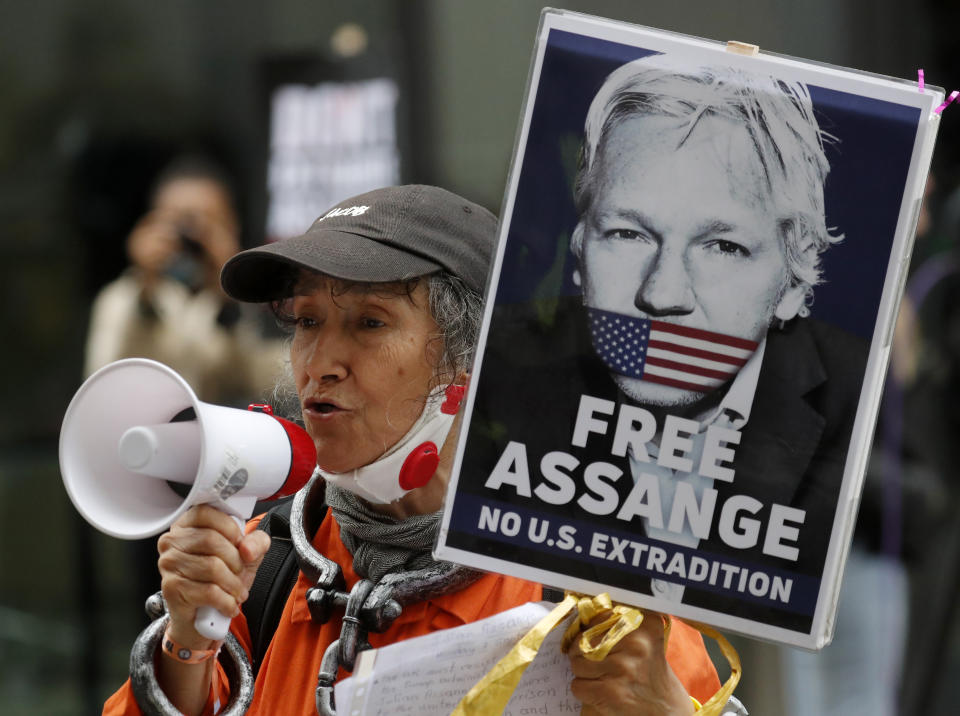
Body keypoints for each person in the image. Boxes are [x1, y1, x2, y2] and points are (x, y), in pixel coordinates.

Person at [103, 185, 730, 715]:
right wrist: (186, 644)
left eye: (369, 322)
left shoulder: (589, 592)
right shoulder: (262, 571)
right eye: (307, 320)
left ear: (469, 362)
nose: (318, 364)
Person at [469, 56, 868, 634]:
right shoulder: (492, 386)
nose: (663, 293)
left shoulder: (858, 406)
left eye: (722, 246)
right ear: (580, 252)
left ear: (793, 277)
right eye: (629, 234)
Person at [84, 154, 285, 407]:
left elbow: (267, 383)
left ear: (232, 227)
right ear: (151, 225)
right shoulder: (121, 299)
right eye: (178, 224)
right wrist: (146, 291)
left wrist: (229, 292)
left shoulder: (256, 301)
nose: (191, 238)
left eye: (207, 225)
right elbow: (103, 383)